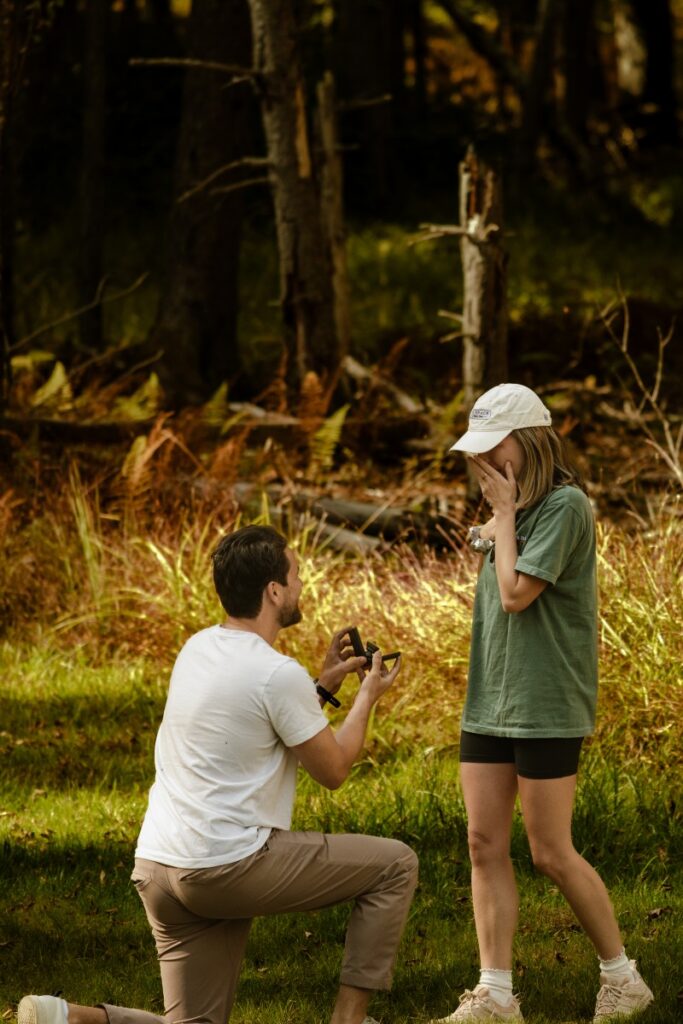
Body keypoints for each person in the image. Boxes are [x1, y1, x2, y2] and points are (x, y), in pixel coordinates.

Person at [19, 525, 417, 1024]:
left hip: (160, 867)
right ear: (273, 591)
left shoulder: (198, 648)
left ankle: (70, 1017)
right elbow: (333, 769)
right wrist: (365, 698)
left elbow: (258, 723)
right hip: (225, 866)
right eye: (294, 576)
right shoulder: (276, 672)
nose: (300, 585)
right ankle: (349, 1019)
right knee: (395, 864)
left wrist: (320, 686)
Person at [432, 383, 653, 1023]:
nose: (481, 463)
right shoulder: (517, 511)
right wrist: (500, 517)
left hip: (546, 699)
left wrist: (500, 517)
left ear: (526, 442)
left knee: (550, 851)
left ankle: (623, 978)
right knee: (482, 841)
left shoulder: (565, 506)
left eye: (491, 448)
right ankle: (495, 993)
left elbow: (514, 596)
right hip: (491, 698)